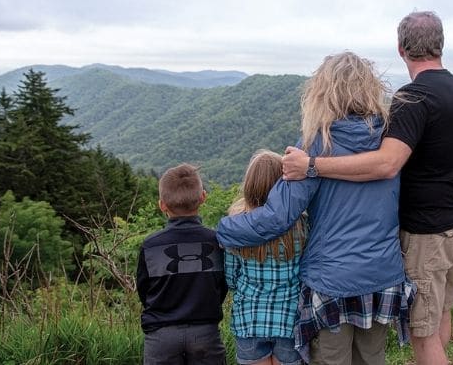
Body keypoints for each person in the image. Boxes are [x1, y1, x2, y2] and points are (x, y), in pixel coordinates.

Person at [282, 11, 453, 365]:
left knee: (424, 335)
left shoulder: (413, 98)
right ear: (441, 44)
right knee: (440, 317)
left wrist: (312, 165)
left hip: (431, 232)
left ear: (401, 48)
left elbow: (386, 164)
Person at [216, 51, 414, 365]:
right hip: (382, 276)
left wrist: (223, 229)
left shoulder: (317, 143)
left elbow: (277, 217)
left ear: (322, 92)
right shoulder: (392, 141)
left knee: (331, 360)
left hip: (332, 279)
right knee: (372, 359)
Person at [137, 163, 228, 365]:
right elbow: (222, 285)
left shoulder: (150, 246)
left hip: (160, 336)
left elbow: (144, 291)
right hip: (206, 332)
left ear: (162, 205)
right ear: (203, 197)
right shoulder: (217, 242)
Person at [224, 150, 306, 365]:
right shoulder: (302, 224)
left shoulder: (235, 226)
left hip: (249, 319)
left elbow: (231, 279)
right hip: (290, 320)